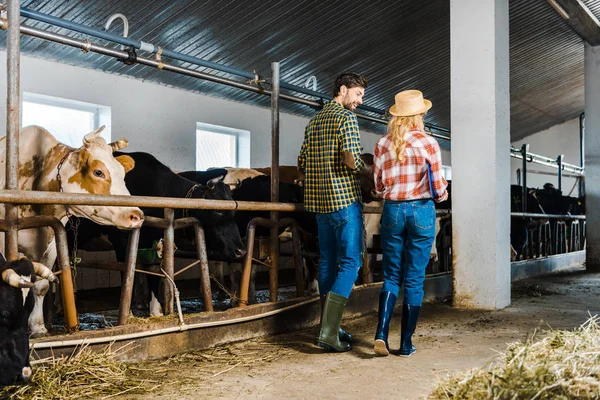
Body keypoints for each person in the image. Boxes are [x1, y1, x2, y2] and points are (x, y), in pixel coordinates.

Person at [372, 90, 448, 357]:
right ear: (419, 115)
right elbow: (438, 188)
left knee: (391, 275)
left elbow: (379, 186)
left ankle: (381, 334)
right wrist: (442, 193)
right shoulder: (429, 143)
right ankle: (405, 344)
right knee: (414, 279)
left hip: (392, 210)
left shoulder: (383, 143)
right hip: (421, 211)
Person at [297, 72, 369, 352]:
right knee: (352, 263)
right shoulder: (346, 119)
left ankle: (330, 327)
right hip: (344, 201)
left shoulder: (313, 121)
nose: (360, 100)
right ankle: (328, 332)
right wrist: (371, 174)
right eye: (358, 94)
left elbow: (301, 163)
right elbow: (352, 159)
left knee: (327, 261)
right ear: (343, 89)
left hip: (318, 204)